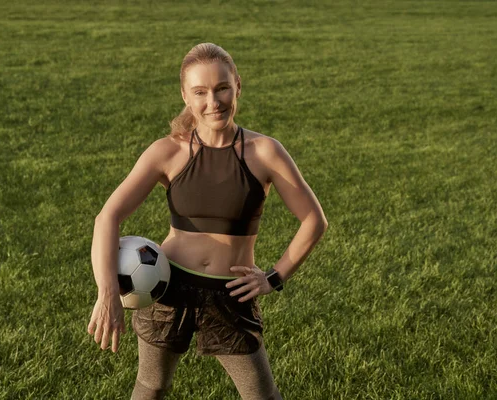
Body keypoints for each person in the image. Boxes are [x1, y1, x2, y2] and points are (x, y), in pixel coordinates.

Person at [87, 43, 328, 400]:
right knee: (152, 387)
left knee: (261, 395)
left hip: (231, 292)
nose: (213, 102)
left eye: (222, 89)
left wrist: (274, 277)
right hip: (166, 287)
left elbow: (314, 219)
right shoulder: (168, 151)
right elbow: (107, 217)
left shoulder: (265, 152)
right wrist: (107, 292)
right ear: (185, 95)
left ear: (238, 86)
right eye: (200, 92)